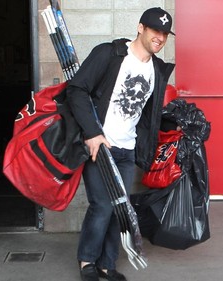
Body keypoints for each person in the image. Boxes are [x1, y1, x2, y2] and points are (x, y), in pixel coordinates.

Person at [66, 7, 176, 281]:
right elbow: (76, 89)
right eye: (155, 30)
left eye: (164, 33)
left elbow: (148, 113)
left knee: (121, 207)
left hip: (127, 149)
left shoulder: (157, 70)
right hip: (100, 146)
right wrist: (92, 134)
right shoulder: (110, 53)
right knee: (102, 205)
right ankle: (87, 262)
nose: (160, 38)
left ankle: (106, 263)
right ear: (140, 28)